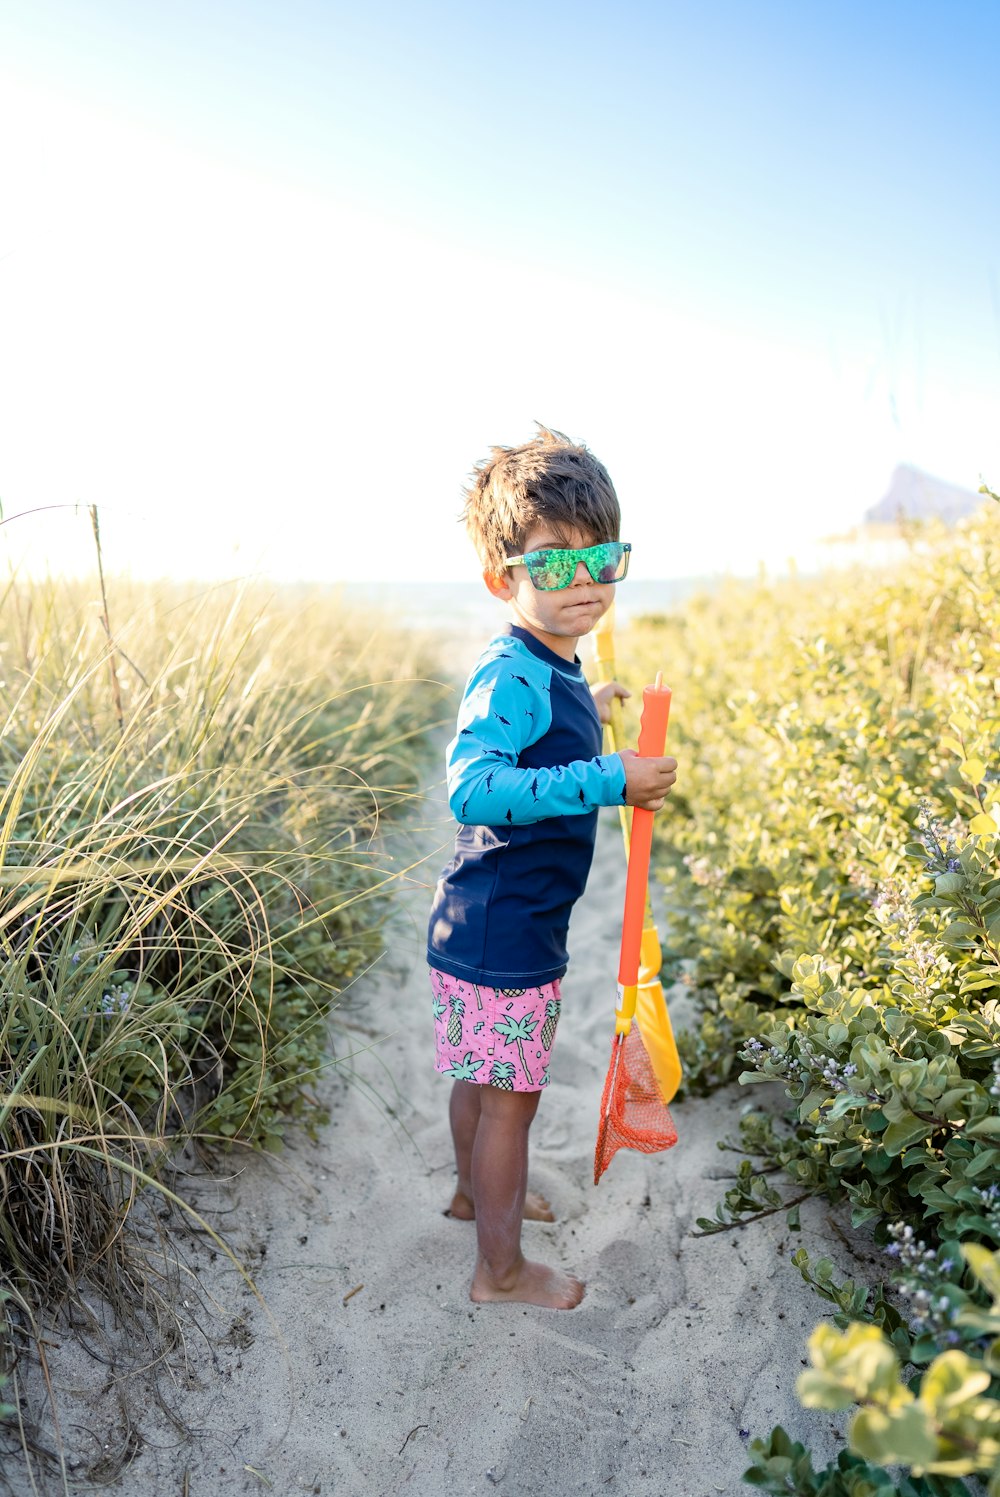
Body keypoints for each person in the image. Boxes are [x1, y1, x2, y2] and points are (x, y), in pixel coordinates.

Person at [426, 426, 678, 1309]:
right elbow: (475, 786)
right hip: (507, 930)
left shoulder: (551, 663)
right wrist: (609, 776)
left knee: (480, 1079)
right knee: (512, 1101)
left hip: (480, 920)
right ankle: (499, 1269)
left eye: (603, 558)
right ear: (504, 578)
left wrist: (592, 702)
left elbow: (548, 709)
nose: (589, 583)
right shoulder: (505, 673)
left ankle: (471, 1194)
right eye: (557, 563)